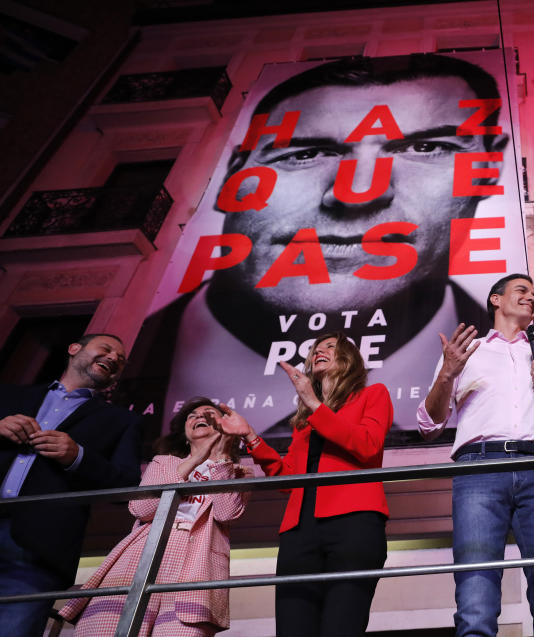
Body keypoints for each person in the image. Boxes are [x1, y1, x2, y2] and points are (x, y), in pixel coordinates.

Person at [126, 52, 514, 441]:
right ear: (234, 172)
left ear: (490, 165)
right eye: (305, 154)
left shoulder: (513, 368)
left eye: (426, 148)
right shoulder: (129, 363)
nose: (358, 193)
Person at [417, 273, 534, 637]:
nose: (532, 298)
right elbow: (428, 424)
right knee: (475, 586)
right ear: (496, 300)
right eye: (522, 291)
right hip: (479, 468)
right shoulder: (467, 353)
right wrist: (447, 374)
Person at [218, 331, 392, 637]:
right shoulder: (305, 421)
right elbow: (289, 481)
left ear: (348, 359)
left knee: (341, 628)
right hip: (299, 532)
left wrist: (314, 404)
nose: (318, 351)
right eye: (315, 349)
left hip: (355, 525)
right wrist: (250, 437)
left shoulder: (372, 394)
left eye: (329, 346)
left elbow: (367, 445)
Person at [59, 397, 250, 636]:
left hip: (197, 566)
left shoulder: (238, 473)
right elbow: (142, 509)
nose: (199, 416)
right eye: (192, 415)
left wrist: (221, 457)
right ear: (184, 431)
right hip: (142, 557)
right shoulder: (164, 462)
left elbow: (226, 513)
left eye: (209, 413)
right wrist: (193, 460)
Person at [0, 333, 141, 637]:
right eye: (106, 349)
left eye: (121, 360)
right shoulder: (8, 396)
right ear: (74, 348)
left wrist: (78, 457)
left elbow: (128, 488)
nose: (114, 358)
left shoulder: (121, 421)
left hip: (35, 550)